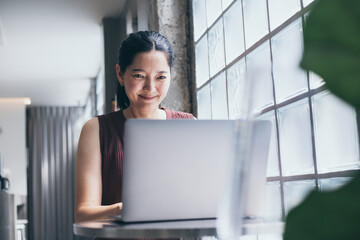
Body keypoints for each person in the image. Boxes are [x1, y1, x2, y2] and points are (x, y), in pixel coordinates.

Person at [75, 31, 194, 223]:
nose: (150, 87)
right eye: (139, 75)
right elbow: (83, 215)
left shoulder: (188, 126)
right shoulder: (96, 130)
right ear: (120, 74)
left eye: (161, 77)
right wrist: (125, 209)